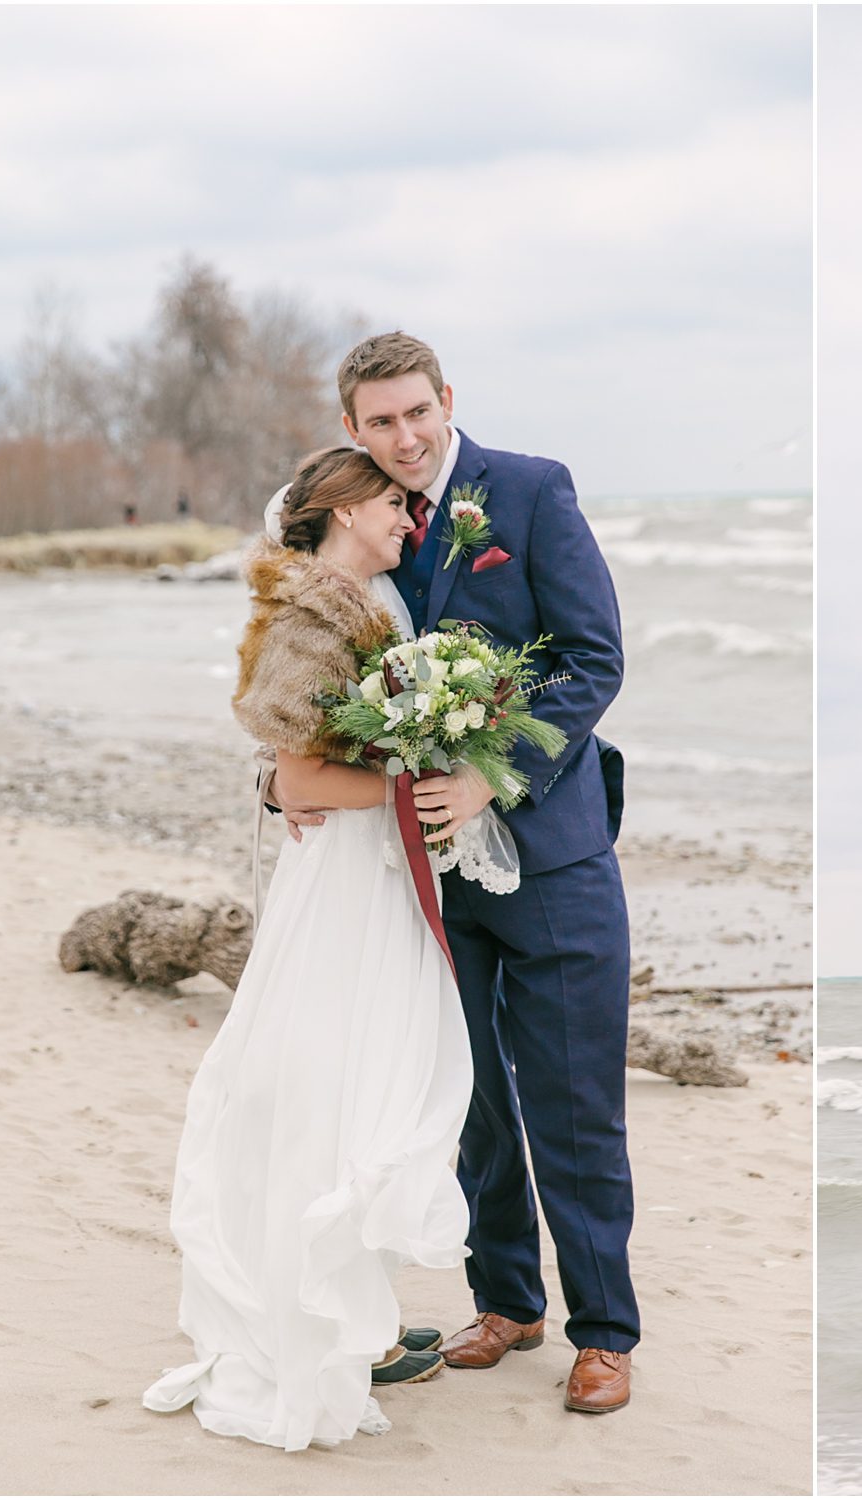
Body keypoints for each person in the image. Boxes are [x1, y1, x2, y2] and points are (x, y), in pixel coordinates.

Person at [272, 331, 638, 1414]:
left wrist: (488, 775)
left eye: (417, 412)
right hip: (419, 873)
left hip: (553, 853)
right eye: (381, 422)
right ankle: (507, 1304)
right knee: (467, 1099)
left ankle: (604, 1333)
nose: (405, 438)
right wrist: (286, 778)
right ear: (353, 428)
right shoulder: (363, 520)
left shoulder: (529, 491)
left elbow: (591, 658)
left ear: (446, 399)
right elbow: (318, 674)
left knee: (573, 1103)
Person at [143, 448, 478, 1450]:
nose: (409, 518)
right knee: (330, 1086)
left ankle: (354, 1317)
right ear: (341, 510)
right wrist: (409, 786)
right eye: (392, 503)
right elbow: (298, 783)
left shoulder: (369, 606)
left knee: (363, 1084)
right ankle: (317, 1320)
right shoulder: (312, 617)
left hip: (371, 877)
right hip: (341, 886)